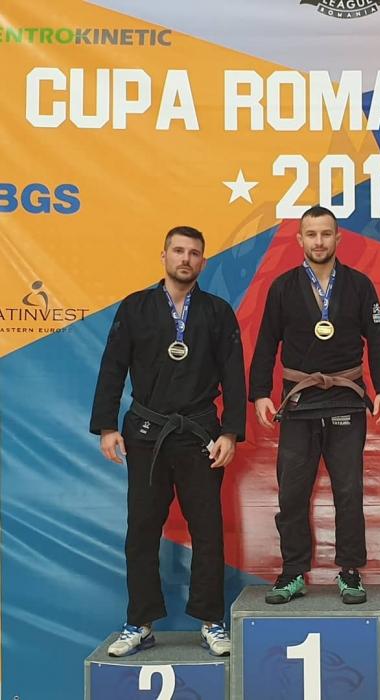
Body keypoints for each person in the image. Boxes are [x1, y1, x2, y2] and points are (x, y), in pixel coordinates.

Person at [90, 226, 246, 657]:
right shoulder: (136, 307)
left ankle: (211, 622)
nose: (185, 259)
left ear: (203, 262)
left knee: (207, 531)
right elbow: (112, 366)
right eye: (178, 250)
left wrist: (230, 431)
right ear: (164, 256)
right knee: (142, 529)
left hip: (200, 434)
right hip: (146, 433)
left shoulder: (217, 312)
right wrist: (106, 426)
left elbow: (234, 375)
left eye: (194, 253)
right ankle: (139, 622)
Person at [249, 205, 380, 605]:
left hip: (345, 398)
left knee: (348, 490)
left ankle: (349, 571)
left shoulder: (359, 285)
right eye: (311, 234)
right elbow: (266, 343)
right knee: (292, 492)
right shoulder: (283, 287)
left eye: (326, 234)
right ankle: (293, 571)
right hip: (299, 401)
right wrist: (261, 392)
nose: (319, 241)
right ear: (300, 239)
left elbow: (379, 339)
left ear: (338, 238)